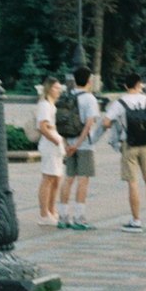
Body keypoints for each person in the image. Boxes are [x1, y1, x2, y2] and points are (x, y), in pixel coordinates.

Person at [102, 72, 146, 232]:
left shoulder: (120, 103)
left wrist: (115, 125)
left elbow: (106, 122)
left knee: (133, 183)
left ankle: (136, 221)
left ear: (125, 86)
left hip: (129, 144)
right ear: (139, 85)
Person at [57, 66, 102, 230]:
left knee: (68, 179)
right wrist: (78, 144)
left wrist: (67, 144)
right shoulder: (90, 99)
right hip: (84, 145)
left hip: (68, 143)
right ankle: (79, 217)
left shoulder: (66, 96)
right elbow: (89, 123)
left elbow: (60, 122)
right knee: (83, 180)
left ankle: (62, 217)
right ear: (89, 81)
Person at [36, 76, 65, 225]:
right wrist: (55, 140)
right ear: (48, 88)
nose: (58, 91)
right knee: (48, 178)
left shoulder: (51, 105)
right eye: (55, 88)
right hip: (49, 145)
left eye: (59, 88)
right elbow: (42, 126)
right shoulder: (45, 105)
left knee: (56, 178)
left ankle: (51, 210)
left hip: (55, 144)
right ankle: (43, 214)